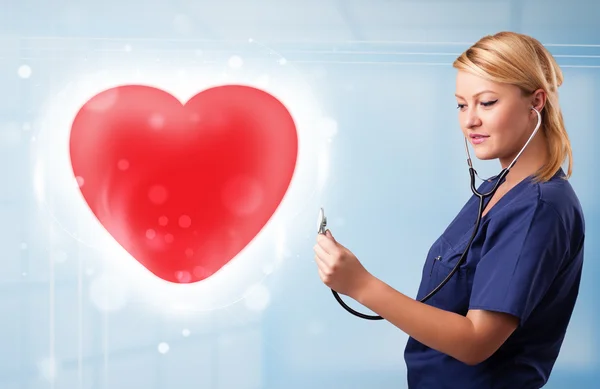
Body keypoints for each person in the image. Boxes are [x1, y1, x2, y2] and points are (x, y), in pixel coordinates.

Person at [313, 31, 586, 388]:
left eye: (486, 102)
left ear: (536, 102)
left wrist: (361, 285)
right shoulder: (493, 190)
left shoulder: (539, 208)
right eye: (461, 104)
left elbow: (476, 342)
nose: (470, 120)